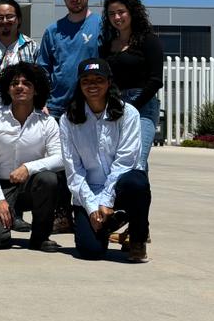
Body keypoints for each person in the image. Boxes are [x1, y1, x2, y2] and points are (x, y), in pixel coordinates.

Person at [59, 58, 150, 263]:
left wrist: (107, 201)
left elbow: (125, 161)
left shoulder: (128, 113)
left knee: (138, 182)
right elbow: (74, 170)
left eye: (98, 79)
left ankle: (137, 238)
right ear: (79, 85)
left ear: (109, 82)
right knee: (91, 251)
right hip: (88, 191)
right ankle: (108, 224)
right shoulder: (68, 119)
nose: (92, 85)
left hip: (120, 188)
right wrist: (92, 207)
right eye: (86, 80)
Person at [0, 62, 64, 251]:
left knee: (49, 179)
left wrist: (28, 168)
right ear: (7, 89)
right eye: (15, 83)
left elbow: (61, 158)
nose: (20, 87)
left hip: (29, 187)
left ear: (36, 90)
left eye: (27, 83)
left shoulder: (47, 122)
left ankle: (40, 237)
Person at [101, 0, 164, 172]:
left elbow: (156, 80)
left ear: (132, 12)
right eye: (112, 14)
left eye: (121, 12)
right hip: (115, 106)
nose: (117, 17)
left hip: (143, 107)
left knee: (137, 162)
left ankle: (138, 199)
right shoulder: (108, 45)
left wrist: (133, 107)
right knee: (115, 163)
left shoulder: (148, 40)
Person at [37, 0, 103, 119]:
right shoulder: (52, 31)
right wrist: (42, 101)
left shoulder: (101, 25)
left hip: (92, 106)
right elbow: (43, 70)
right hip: (56, 108)